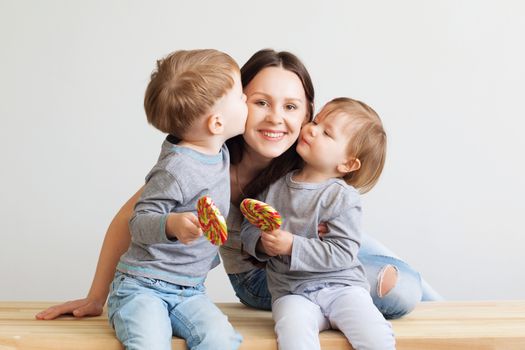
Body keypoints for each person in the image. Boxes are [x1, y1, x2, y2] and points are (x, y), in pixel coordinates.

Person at [36, 49, 440, 323]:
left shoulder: (308, 155)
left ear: (308, 114)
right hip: (265, 272)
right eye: (260, 102)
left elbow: (351, 220)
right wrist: (96, 296)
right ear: (234, 104)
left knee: (407, 282)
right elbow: (131, 219)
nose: (275, 118)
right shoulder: (206, 158)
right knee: (396, 291)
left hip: (317, 252)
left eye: (292, 107)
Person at [105, 49, 247, 349]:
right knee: (150, 342)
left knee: (222, 339)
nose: (246, 99)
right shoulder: (176, 168)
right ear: (217, 123)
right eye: (240, 96)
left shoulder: (217, 150)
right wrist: (171, 224)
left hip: (190, 291)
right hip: (142, 286)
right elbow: (138, 221)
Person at [241, 97, 395, 349]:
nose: (311, 129)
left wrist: (292, 245)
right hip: (292, 291)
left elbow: (343, 253)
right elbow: (249, 228)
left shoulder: (342, 197)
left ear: (347, 163)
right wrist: (260, 243)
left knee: (375, 336)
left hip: (342, 288)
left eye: (326, 133)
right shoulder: (274, 186)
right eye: (315, 121)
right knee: (293, 335)